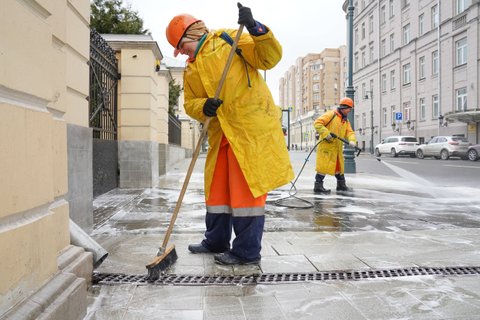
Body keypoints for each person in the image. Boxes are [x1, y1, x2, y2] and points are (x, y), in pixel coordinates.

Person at [166, 3, 293, 265]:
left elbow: (268, 58)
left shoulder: (228, 39)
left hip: (248, 131)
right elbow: (190, 103)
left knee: (245, 194)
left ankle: (246, 252)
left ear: (191, 35)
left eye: (181, 46)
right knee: (218, 193)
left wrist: (256, 29)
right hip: (220, 135)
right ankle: (216, 241)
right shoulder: (191, 69)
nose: (182, 53)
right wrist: (204, 106)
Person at [313, 97, 357, 193]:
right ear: (344, 108)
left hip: (337, 148)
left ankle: (341, 185)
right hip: (326, 146)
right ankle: (318, 186)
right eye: (349, 109)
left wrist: (352, 140)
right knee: (323, 167)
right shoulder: (331, 114)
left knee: (339, 167)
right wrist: (326, 134)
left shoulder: (345, 120)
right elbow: (317, 123)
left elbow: (349, 132)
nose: (350, 111)